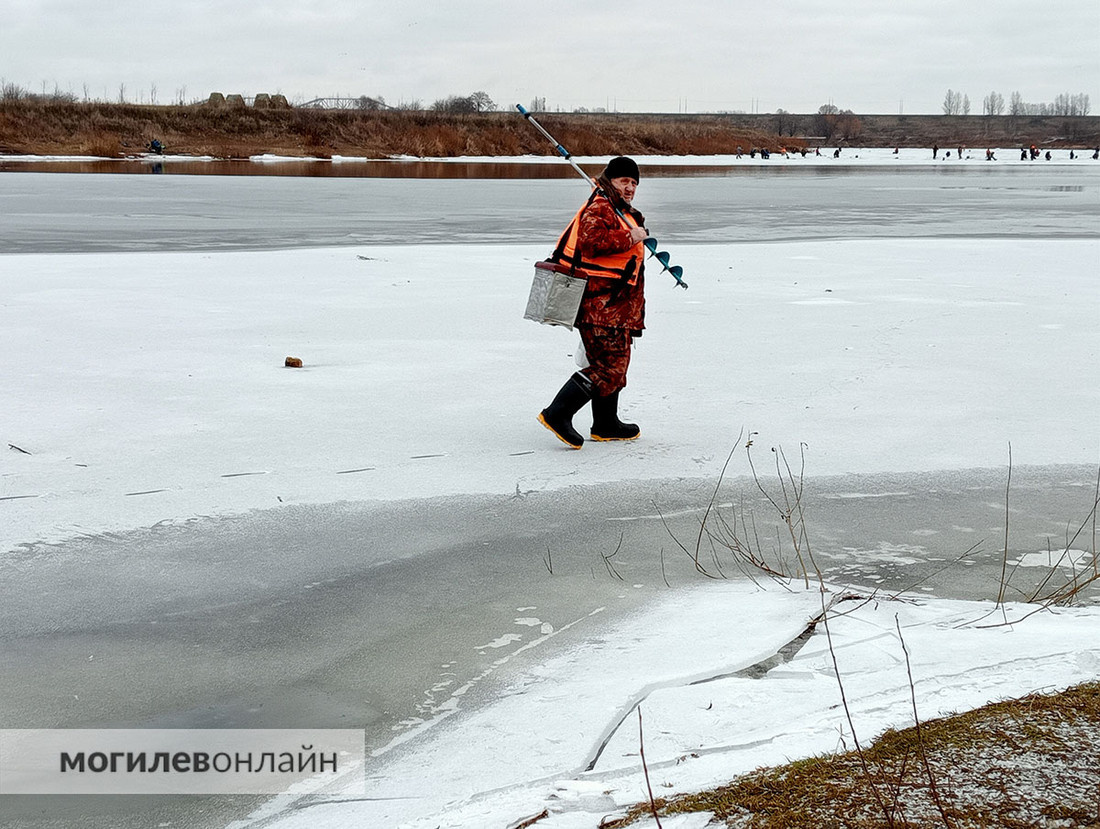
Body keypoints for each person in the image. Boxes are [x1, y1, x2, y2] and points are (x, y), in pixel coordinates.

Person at [537, 156, 649, 449]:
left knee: (616, 364)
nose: (630, 188)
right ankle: (557, 413)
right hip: (599, 306)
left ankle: (605, 423)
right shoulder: (601, 207)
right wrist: (631, 236)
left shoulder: (619, 210)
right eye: (624, 181)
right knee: (607, 368)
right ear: (611, 180)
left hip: (616, 308)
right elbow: (591, 241)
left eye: (634, 183)